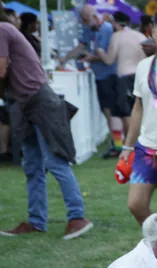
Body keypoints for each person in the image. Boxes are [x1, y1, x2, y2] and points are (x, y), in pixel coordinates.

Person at [0, 19, 92, 239]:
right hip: (25, 103)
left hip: (40, 102)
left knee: (55, 162)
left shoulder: (1, 30)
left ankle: (78, 217)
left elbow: (1, 70)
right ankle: (36, 221)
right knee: (32, 166)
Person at [120, 10, 157, 226]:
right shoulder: (144, 66)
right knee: (136, 204)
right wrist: (128, 146)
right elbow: (138, 107)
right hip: (146, 146)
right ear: (152, 33)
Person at [60, 5, 119, 158]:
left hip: (109, 75)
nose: (83, 22)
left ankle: (118, 145)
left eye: (85, 19)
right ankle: (117, 143)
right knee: (107, 111)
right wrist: (65, 58)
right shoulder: (90, 28)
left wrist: (90, 58)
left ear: (93, 16)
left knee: (111, 111)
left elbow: (108, 56)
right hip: (100, 76)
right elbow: (81, 45)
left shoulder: (106, 29)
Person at [95, 12, 148, 140]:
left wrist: (100, 52)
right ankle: (141, 141)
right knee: (140, 111)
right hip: (141, 76)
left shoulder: (117, 36)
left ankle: (129, 144)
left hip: (124, 77)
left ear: (116, 23)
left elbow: (109, 60)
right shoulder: (140, 36)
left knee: (125, 114)